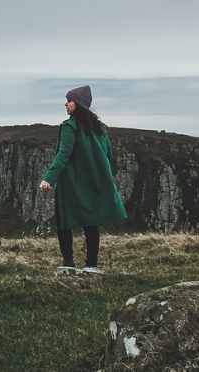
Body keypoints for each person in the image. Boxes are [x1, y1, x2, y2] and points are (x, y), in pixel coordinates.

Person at [40, 85, 127, 269]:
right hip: (93, 182)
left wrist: (49, 178)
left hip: (72, 184)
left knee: (64, 223)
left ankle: (69, 265)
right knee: (91, 224)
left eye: (69, 101)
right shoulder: (100, 129)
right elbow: (108, 153)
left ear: (78, 104)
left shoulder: (69, 127)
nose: (66, 104)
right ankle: (91, 266)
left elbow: (63, 154)